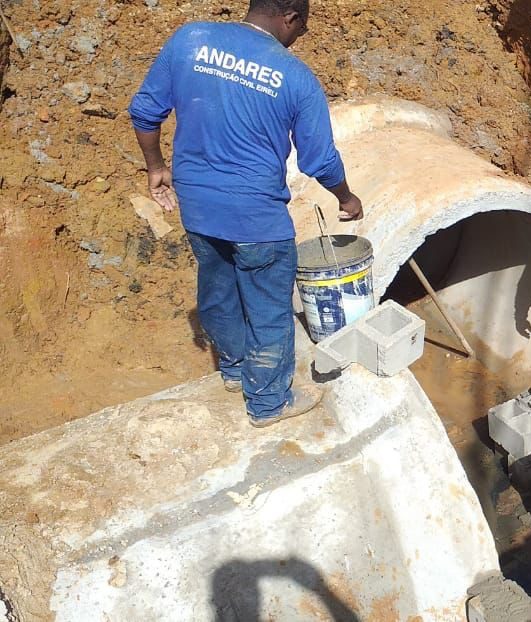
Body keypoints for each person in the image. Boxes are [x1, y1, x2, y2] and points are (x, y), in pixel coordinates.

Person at [128, 0, 363, 428]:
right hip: (257, 219)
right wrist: (346, 198)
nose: (300, 38)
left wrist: (156, 167)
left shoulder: (191, 40)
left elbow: (145, 111)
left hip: (198, 207)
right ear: (290, 17)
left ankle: (235, 371)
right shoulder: (295, 77)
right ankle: (269, 402)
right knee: (269, 307)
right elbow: (320, 160)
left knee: (218, 287)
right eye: (302, 28)